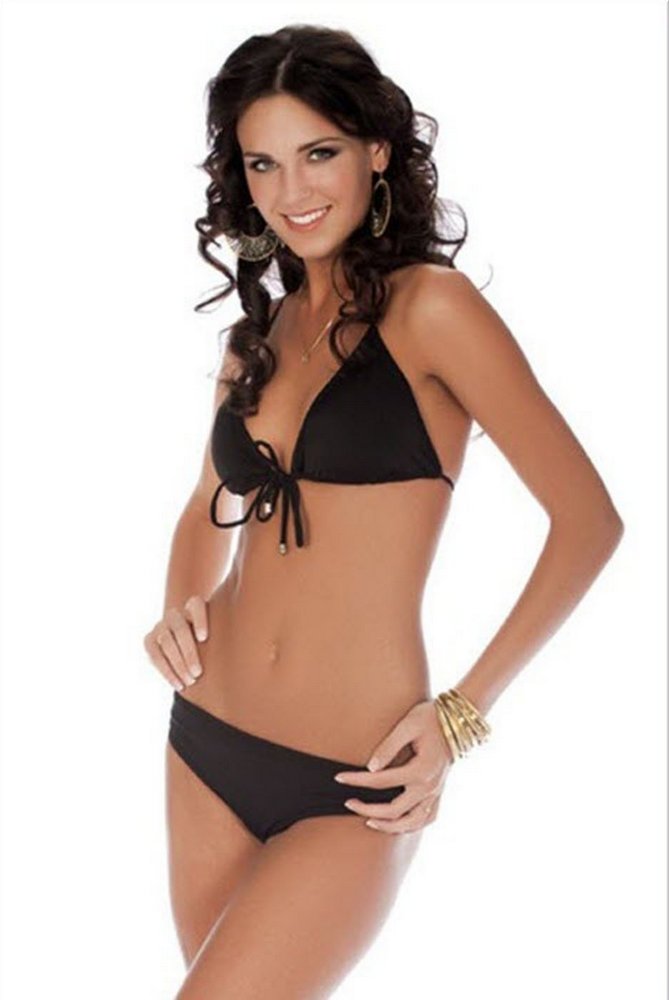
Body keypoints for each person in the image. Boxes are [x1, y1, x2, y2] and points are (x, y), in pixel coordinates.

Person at [143, 24, 624, 1000]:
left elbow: (588, 521)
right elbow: (207, 502)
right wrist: (178, 607)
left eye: (318, 152)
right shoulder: (257, 336)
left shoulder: (431, 309)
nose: (292, 189)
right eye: (263, 163)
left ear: (374, 151)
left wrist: (460, 716)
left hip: (356, 777)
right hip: (206, 743)